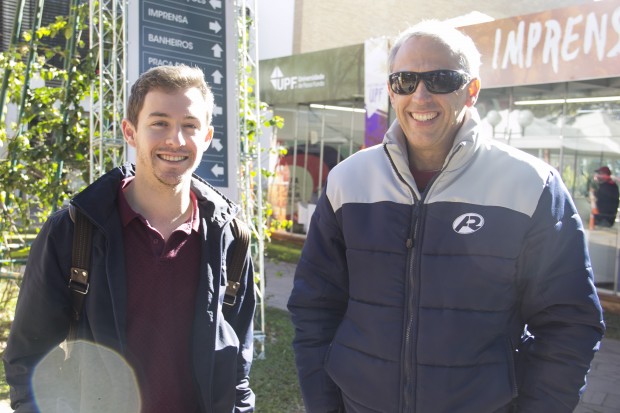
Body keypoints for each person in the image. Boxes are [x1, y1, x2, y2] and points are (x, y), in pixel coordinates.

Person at [287, 20, 605, 413]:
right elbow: (314, 307)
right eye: (405, 80)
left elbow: (569, 323)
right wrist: (324, 404)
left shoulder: (531, 185)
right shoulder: (347, 181)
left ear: (471, 90)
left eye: (440, 79)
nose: (420, 95)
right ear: (390, 90)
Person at [3, 65, 256, 412]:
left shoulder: (232, 237)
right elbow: (28, 358)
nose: (176, 140)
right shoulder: (74, 231)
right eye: (159, 123)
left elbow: (237, 369)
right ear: (130, 131)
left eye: (190, 126)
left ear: (207, 136)